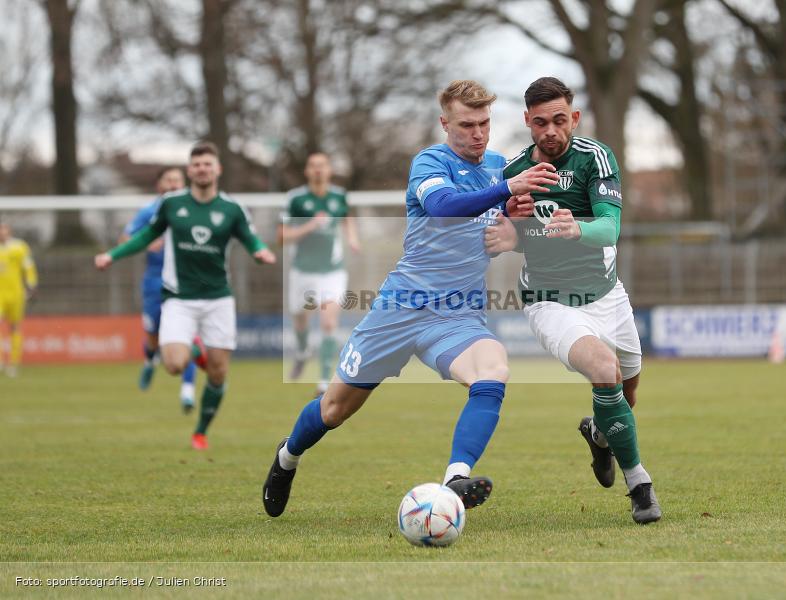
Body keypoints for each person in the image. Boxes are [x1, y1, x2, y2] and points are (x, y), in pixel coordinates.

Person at [262, 80, 559, 518]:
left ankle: (454, 479)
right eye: (467, 124)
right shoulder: (430, 162)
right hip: (399, 310)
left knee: (493, 370)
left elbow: (513, 215)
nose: (478, 133)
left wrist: (514, 222)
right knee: (334, 409)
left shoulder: (500, 166)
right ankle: (287, 457)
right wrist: (506, 190)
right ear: (445, 123)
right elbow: (443, 206)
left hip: (457, 315)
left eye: (484, 123)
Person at [486, 77, 662, 524]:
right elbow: (501, 238)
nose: (550, 130)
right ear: (527, 121)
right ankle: (639, 483)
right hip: (550, 302)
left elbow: (610, 228)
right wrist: (509, 226)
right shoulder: (514, 173)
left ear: (574, 118)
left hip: (607, 295)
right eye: (540, 122)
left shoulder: (594, 159)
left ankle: (601, 437)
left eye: (559, 120)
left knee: (628, 390)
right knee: (606, 372)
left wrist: (576, 227)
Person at [95, 142, 277, 450]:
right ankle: (195, 351)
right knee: (174, 365)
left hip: (218, 298)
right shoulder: (172, 205)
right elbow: (145, 236)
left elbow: (250, 238)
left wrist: (260, 252)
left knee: (218, 374)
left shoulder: (231, 209)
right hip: (179, 298)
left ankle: (200, 432)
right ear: (189, 170)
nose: (202, 169)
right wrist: (112, 255)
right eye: (196, 164)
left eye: (208, 164)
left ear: (217, 169)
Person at [279, 152, 360, 392]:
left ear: (329, 170)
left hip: (332, 271)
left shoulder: (339, 196)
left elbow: (347, 218)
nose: (318, 170)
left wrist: (353, 239)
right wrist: (309, 226)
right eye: (313, 166)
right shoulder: (295, 199)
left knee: (328, 322)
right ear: (306, 171)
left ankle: (324, 381)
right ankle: (303, 350)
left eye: (322, 166)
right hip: (302, 270)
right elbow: (282, 236)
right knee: (300, 319)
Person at [122, 166, 199, 412]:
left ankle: (187, 391)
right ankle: (149, 359)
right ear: (160, 186)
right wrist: (147, 243)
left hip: (186, 282)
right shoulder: (149, 211)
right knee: (153, 334)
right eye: (169, 180)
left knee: (185, 336)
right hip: (155, 281)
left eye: (178, 180)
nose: (174, 184)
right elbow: (125, 239)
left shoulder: (193, 209)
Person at [0, 219, 38, 377]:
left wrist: (32, 284)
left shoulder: (19, 247)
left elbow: (28, 267)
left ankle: (13, 363)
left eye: (4, 229)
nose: (2, 232)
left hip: (16, 294)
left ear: (9, 231)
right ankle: (1, 361)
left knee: (14, 327)